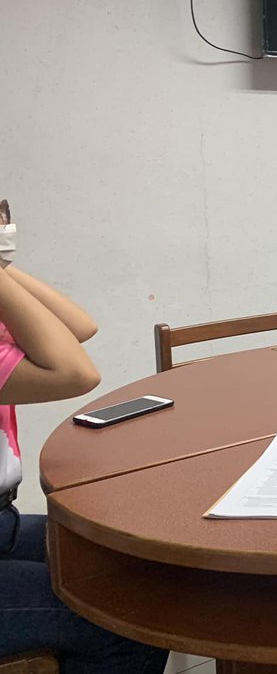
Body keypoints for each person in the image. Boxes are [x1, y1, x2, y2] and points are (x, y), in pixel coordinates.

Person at [0, 202, 168, 674]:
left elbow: (79, 328)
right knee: (125, 620)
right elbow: (75, 373)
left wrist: (4, 271)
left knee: (131, 563)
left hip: (3, 524)